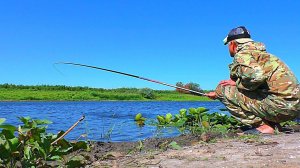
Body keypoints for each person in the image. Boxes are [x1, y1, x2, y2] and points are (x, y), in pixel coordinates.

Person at [206, 26, 300, 134]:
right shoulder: (266, 56)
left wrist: (234, 85)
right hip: (294, 108)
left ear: (232, 44)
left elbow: (257, 77)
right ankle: (273, 124)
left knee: (222, 89)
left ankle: (264, 127)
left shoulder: (242, 55)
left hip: (280, 108)